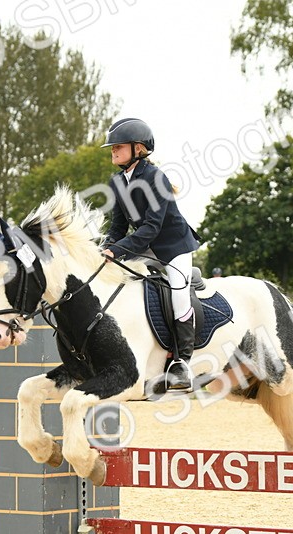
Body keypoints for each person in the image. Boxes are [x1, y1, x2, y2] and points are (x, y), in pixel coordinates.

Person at [99, 117, 202, 390]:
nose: (113, 150)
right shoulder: (117, 181)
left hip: (173, 247)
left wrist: (117, 250)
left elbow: (151, 228)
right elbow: (118, 226)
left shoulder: (156, 178)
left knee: (179, 293)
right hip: (144, 248)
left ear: (139, 148)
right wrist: (105, 247)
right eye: (112, 147)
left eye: (118, 146)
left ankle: (182, 363)